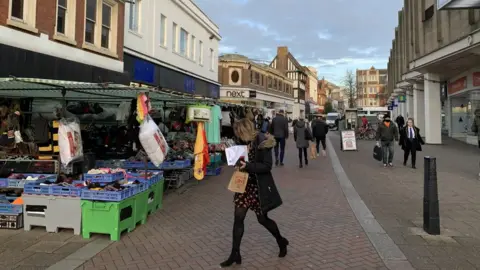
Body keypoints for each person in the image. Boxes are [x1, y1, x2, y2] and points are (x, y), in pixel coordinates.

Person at [220, 119, 287, 268]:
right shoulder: (243, 141)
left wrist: (248, 165)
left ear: (245, 130)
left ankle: (281, 240)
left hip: (258, 186)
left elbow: (267, 166)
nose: (237, 135)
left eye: (239, 132)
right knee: (238, 218)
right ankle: (235, 253)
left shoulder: (263, 142)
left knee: (262, 219)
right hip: (244, 185)